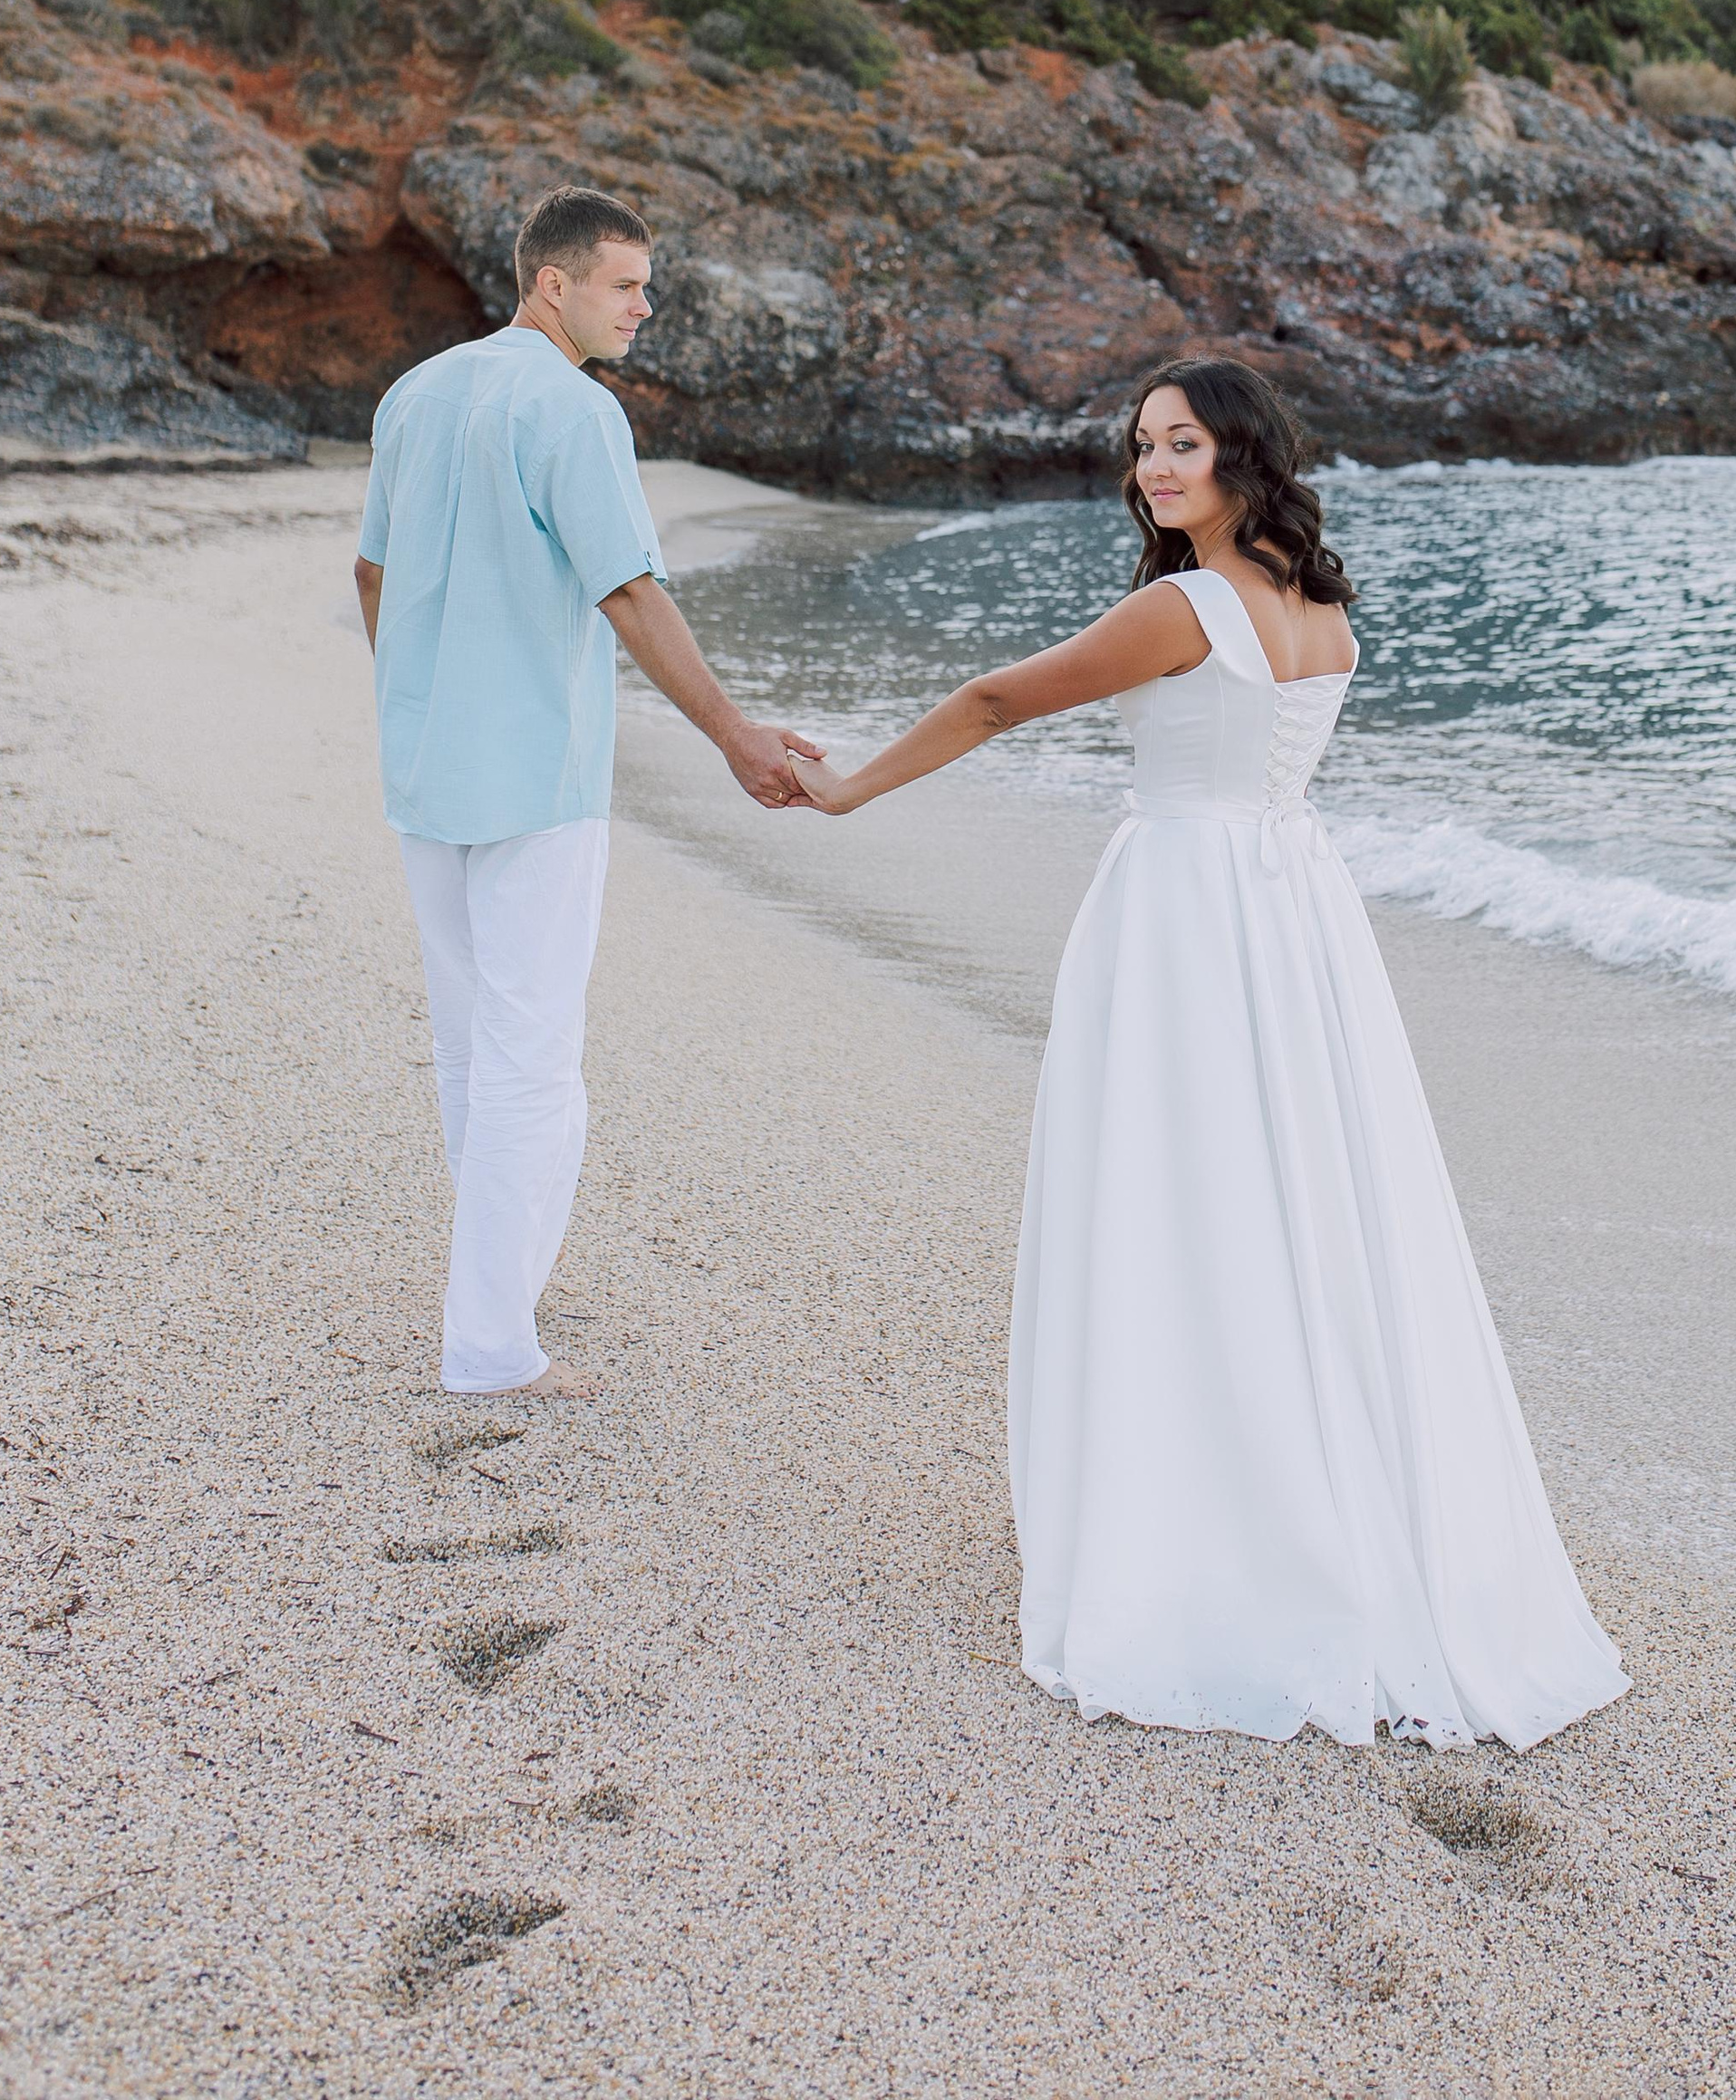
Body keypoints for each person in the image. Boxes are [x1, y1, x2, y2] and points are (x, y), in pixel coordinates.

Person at [789, 358, 1627, 1750]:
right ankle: (1324, 1509)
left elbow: (1001, 700)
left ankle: (1222, 1536)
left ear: (1243, 455)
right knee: (1307, 1211)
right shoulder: (1320, 604)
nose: (1153, 470)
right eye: (1140, 449)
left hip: (1187, 917)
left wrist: (846, 788)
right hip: (1294, 921)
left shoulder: (1181, 607)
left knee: (1185, 1209)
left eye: (1180, 445)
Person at [354, 185, 816, 1402]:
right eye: (626, 284)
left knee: (472, 1051)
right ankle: (493, 1346)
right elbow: (630, 593)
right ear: (552, 284)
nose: (644, 306)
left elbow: (372, 577)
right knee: (531, 1062)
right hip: (536, 779)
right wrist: (733, 738)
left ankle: (493, 1294)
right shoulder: (572, 409)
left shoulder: (417, 395)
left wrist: (417, 698)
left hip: (426, 769)